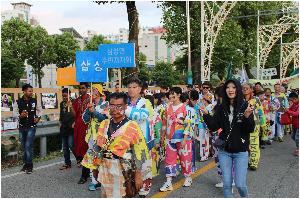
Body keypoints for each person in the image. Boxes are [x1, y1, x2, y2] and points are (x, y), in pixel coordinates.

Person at [202, 79, 255, 198]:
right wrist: (206, 115)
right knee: (226, 184)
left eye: (233, 87)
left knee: (240, 184)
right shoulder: (221, 107)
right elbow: (215, 126)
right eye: (227, 87)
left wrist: (247, 116)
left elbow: (250, 129)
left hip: (241, 151)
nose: (230, 90)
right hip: (224, 151)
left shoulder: (245, 106)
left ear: (238, 89)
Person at [92, 92, 150, 198]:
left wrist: (138, 174)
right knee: (106, 195)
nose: (114, 109)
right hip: (105, 167)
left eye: (119, 106)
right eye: (112, 105)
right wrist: (94, 168)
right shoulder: (104, 124)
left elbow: (139, 152)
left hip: (123, 169)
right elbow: (97, 146)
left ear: (125, 106)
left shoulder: (132, 126)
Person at [160, 87, 194, 192]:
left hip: (183, 139)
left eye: (172, 94)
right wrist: (162, 136)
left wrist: (184, 139)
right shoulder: (167, 108)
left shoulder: (185, 108)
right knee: (169, 160)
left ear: (179, 95)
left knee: (185, 159)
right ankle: (168, 182)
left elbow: (188, 124)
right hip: (170, 139)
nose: (170, 96)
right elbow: (164, 123)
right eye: (169, 94)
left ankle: (188, 177)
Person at [125, 77, 154, 197]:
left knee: (143, 167)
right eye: (129, 87)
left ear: (140, 89)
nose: (131, 90)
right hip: (126, 141)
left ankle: (143, 192)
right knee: (128, 167)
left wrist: (124, 109)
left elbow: (140, 116)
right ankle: (130, 189)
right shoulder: (124, 102)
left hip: (142, 141)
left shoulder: (145, 102)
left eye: (134, 87)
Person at [81, 84, 108, 191]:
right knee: (92, 157)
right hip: (92, 135)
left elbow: (105, 118)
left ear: (100, 91)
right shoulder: (90, 103)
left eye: (95, 89)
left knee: (102, 158)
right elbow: (85, 120)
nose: (93, 91)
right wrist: (88, 110)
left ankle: (103, 179)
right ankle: (94, 181)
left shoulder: (105, 104)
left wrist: (94, 112)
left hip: (102, 135)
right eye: (92, 89)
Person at [13, 84, 42, 174]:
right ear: (24, 91)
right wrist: (20, 116)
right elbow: (14, 114)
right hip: (22, 127)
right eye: (29, 91)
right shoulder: (18, 102)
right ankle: (25, 164)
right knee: (24, 147)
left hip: (31, 127)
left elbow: (40, 110)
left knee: (28, 146)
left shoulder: (34, 101)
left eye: (32, 91)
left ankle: (30, 165)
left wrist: (38, 118)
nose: (31, 92)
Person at [242, 83, 267, 170]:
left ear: (252, 90)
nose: (245, 89)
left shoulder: (256, 100)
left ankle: (253, 162)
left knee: (254, 144)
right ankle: (243, 161)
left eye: (247, 88)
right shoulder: (240, 100)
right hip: (242, 124)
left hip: (254, 124)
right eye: (243, 88)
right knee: (243, 144)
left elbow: (261, 113)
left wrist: (263, 125)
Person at [71, 82, 91, 184]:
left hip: (88, 127)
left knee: (87, 149)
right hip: (79, 127)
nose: (81, 90)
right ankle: (86, 171)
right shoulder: (77, 100)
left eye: (83, 88)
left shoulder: (91, 99)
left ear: (87, 88)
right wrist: (70, 106)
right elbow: (75, 114)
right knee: (79, 148)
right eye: (80, 88)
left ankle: (84, 175)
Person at [59, 88, 75, 170]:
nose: (64, 98)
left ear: (69, 95)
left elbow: (75, 115)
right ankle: (67, 163)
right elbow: (61, 116)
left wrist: (71, 106)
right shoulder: (62, 104)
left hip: (71, 128)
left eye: (66, 96)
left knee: (71, 144)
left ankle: (79, 158)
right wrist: (60, 123)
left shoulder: (74, 102)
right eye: (63, 96)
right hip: (64, 128)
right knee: (65, 147)